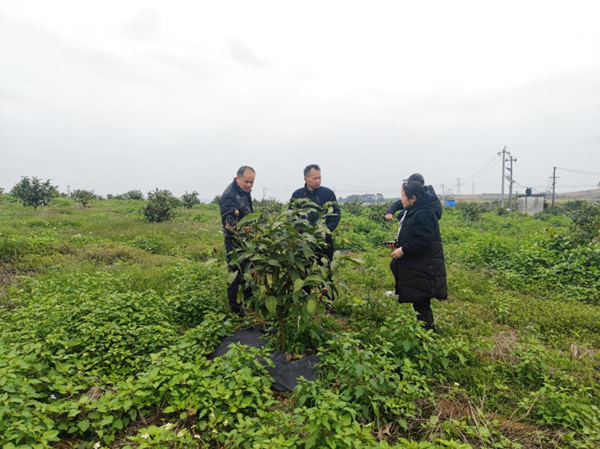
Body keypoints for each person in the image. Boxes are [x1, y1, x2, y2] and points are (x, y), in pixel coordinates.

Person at [387, 181, 447, 331]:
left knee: (421, 303)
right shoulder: (416, 210)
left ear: (412, 198)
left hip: (425, 266)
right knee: (419, 301)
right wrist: (398, 244)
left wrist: (403, 250)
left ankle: (427, 338)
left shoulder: (424, 213)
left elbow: (424, 241)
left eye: (403, 196)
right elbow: (415, 235)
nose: (401, 199)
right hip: (419, 264)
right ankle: (426, 335)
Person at [290, 164, 341, 301]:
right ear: (305, 178)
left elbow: (336, 214)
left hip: (323, 241)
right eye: (314, 178)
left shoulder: (328, 194)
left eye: (319, 177)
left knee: (325, 269)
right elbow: (292, 217)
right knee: (304, 270)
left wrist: (327, 230)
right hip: (304, 241)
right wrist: (297, 234)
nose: (318, 181)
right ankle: (306, 299)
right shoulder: (298, 195)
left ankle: (327, 300)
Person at [219, 166, 256, 317]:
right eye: (247, 181)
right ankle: (235, 309)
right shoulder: (229, 195)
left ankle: (249, 301)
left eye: (252, 182)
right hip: (234, 240)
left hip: (247, 240)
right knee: (235, 273)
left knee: (249, 270)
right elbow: (228, 220)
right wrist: (240, 230)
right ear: (238, 178)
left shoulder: (244, 192)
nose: (249, 185)